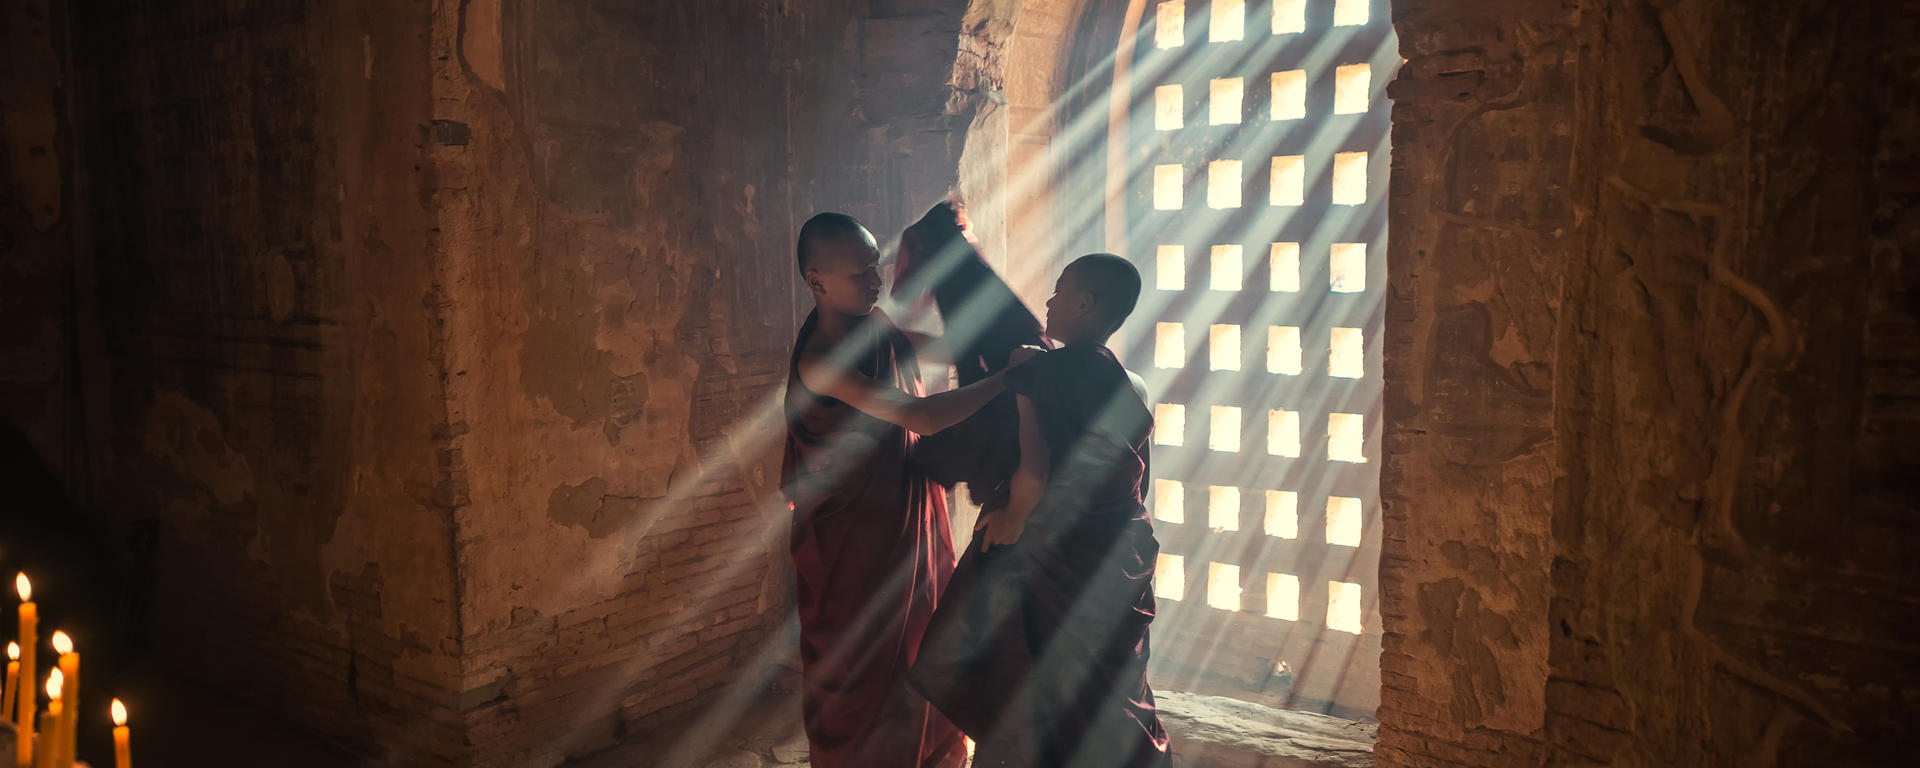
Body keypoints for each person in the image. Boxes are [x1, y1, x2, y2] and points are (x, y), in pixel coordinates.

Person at [912, 254, 1173, 768]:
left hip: (1062, 557)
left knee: (1031, 681)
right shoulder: (1130, 380)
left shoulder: (1050, 372)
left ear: (1084, 303)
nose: (1049, 302)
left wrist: (1012, 518)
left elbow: (1034, 471)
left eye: (1058, 292)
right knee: (1105, 689)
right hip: (1118, 547)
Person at [781, 211, 1011, 768]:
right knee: (862, 666)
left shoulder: (875, 322)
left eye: (876, 266)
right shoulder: (819, 362)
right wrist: (1008, 380)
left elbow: (927, 348)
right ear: (817, 282)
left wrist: (992, 348)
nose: (874, 281)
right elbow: (920, 416)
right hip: (854, 543)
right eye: (859, 274)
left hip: (909, 518)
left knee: (924, 644)